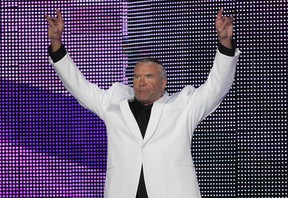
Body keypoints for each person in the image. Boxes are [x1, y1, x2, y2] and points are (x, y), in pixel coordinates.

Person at [45, 7, 240, 198]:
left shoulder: (183, 106)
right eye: (137, 77)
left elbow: (217, 86)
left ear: (163, 83)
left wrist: (224, 42)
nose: (141, 82)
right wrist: (56, 43)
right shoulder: (113, 104)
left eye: (148, 76)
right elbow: (78, 86)